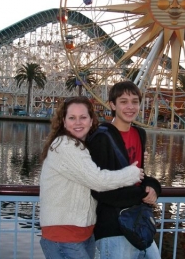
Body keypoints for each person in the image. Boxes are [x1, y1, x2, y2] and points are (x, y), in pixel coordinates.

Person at [39, 96, 144, 259]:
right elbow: (98, 180)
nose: (78, 122)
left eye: (83, 117)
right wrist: (132, 173)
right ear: (64, 122)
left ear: (91, 121)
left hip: (82, 234)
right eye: (72, 118)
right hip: (63, 237)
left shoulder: (81, 147)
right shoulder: (65, 145)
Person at [87, 81, 162, 259]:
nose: (130, 107)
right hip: (113, 227)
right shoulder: (101, 137)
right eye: (123, 101)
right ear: (112, 105)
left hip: (137, 223)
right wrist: (141, 194)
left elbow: (138, 175)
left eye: (135, 101)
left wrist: (154, 187)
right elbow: (99, 187)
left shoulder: (139, 134)